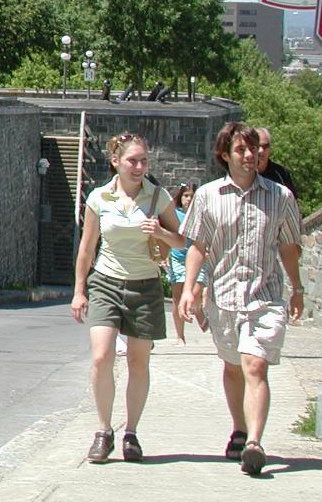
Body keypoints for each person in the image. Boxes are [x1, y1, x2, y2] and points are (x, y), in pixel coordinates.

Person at [178, 121, 304, 476]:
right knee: (233, 366)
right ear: (224, 155)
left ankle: (255, 444)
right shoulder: (207, 196)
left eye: (254, 149)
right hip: (224, 296)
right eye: (241, 150)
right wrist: (190, 288)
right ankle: (240, 427)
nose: (251, 156)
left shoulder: (280, 197)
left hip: (265, 297)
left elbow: (289, 246)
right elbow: (198, 247)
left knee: (255, 365)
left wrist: (297, 287)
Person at [71, 132, 184, 464]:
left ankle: (131, 433)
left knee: (138, 362)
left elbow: (180, 241)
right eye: (132, 160)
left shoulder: (158, 196)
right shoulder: (99, 197)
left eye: (144, 161)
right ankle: (103, 432)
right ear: (116, 161)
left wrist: (160, 232)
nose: (139, 167)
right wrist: (79, 291)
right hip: (105, 282)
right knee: (102, 357)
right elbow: (87, 248)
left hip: (145, 286)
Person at [166, 186, 208, 343]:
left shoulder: (200, 214)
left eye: (192, 196)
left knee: (195, 291)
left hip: (197, 256)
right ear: (180, 197)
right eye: (186, 196)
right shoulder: (174, 215)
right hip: (177, 258)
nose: (188, 199)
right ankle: (180, 336)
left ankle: (197, 310)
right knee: (177, 297)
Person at [255, 127, 297, 198]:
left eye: (265, 146)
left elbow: (292, 201)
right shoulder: (244, 173)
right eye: (258, 146)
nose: (261, 150)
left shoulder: (281, 173)